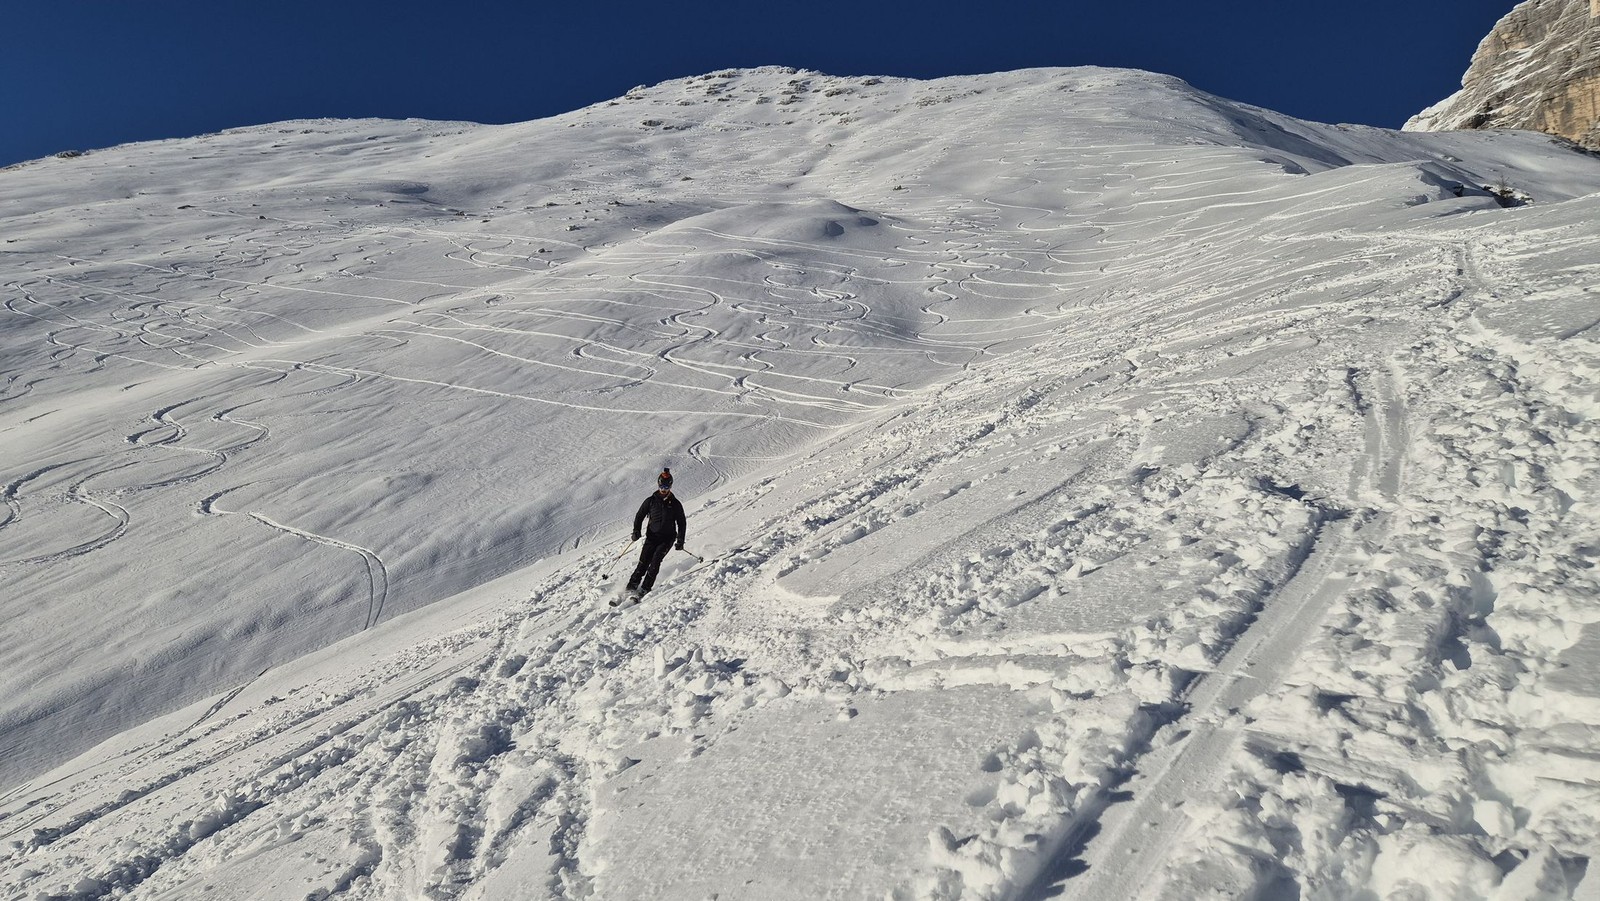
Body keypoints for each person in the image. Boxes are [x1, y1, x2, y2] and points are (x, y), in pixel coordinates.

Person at [624, 467, 686, 600]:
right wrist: (636, 530)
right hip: (652, 537)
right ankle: (631, 587)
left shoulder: (675, 504)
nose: (663, 489)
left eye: (666, 487)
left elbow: (682, 523)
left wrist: (680, 540)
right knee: (643, 562)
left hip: (667, 539)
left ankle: (645, 588)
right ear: (658, 485)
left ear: (671, 486)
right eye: (661, 486)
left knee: (655, 562)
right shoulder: (651, 501)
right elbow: (639, 516)